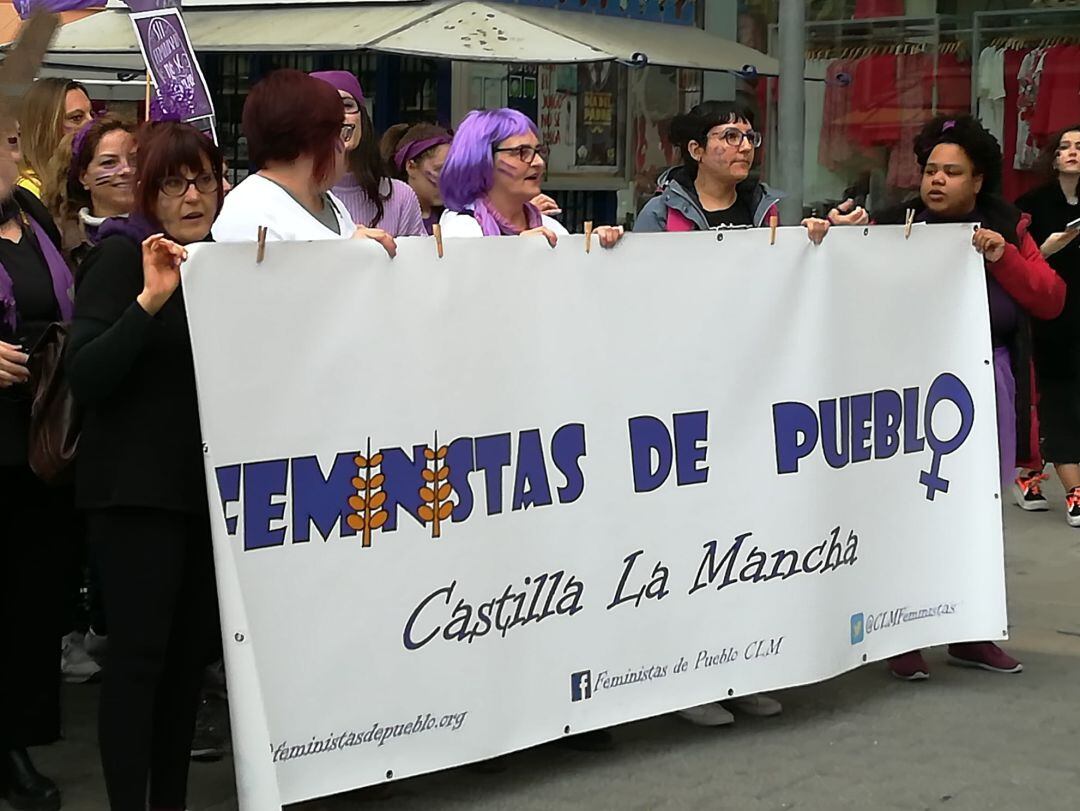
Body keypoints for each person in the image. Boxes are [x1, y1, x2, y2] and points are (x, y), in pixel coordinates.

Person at [66, 122, 225, 811]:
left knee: (188, 667)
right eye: (173, 182)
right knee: (139, 666)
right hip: (134, 496)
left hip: (201, 493)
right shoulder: (122, 257)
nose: (193, 196)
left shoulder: (223, 261)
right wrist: (149, 300)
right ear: (147, 193)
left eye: (204, 180)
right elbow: (87, 374)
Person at [873, 115, 1065, 680]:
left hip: (987, 381)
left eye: (951, 172)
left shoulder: (1008, 226)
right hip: (906, 389)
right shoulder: (892, 224)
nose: (936, 180)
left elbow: (1050, 299)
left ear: (977, 180)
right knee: (906, 510)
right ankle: (901, 633)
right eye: (930, 169)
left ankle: (970, 631)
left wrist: (1004, 255)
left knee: (977, 510)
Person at [0, 105, 69, 811]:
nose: (17, 152)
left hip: (38, 435)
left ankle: (18, 735)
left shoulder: (32, 214)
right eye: (8, 140)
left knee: (30, 598)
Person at [212, 69, 394, 255]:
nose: (344, 144)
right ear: (314, 138)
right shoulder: (249, 212)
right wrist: (348, 255)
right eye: (341, 132)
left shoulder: (329, 201)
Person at [634, 100, 864, 241]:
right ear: (696, 150)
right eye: (730, 136)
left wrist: (828, 232)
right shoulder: (661, 213)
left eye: (750, 138)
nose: (745, 147)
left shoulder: (764, 210)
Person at [1014, 125, 1080, 524]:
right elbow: (1014, 265)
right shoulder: (1032, 205)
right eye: (1065, 147)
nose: (1072, 153)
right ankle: (1073, 488)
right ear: (1053, 157)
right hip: (1050, 315)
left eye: (1079, 147)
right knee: (1056, 397)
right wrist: (1047, 249)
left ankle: (1031, 472)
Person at [437, 107, 620, 248]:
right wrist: (516, 252)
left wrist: (597, 249)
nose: (538, 162)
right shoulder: (461, 228)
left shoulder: (551, 228)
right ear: (482, 160)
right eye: (521, 152)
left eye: (539, 151)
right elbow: (465, 292)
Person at [309, 71, 425, 237]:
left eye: (347, 105)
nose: (339, 116)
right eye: (324, 107)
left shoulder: (399, 196)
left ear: (362, 118)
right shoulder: (293, 198)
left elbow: (418, 261)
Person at [42, 115, 136, 266]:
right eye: (109, 162)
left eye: (135, 160)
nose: (126, 170)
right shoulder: (60, 240)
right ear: (84, 177)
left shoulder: (165, 230)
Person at [17, 78, 93, 199]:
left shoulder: (78, 182)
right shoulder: (25, 194)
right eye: (77, 118)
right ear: (43, 127)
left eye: (91, 114)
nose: (91, 124)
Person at [381, 122, 452, 235]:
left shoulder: (453, 217)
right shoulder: (391, 216)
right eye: (439, 169)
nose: (447, 179)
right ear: (411, 166)